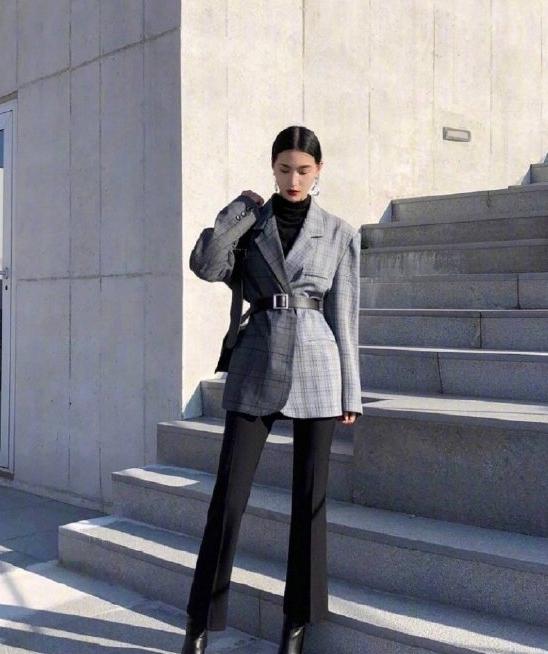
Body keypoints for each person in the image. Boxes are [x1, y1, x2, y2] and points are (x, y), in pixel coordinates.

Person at [183, 125, 362, 654]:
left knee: (309, 504)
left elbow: (345, 317)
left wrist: (351, 390)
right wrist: (238, 210)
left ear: (318, 170)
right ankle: (198, 624)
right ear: (272, 168)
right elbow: (206, 264)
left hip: (319, 366)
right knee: (228, 500)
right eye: (284, 169)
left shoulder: (339, 232)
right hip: (257, 358)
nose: (293, 179)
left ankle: (296, 628)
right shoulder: (251, 224)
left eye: (303, 170)